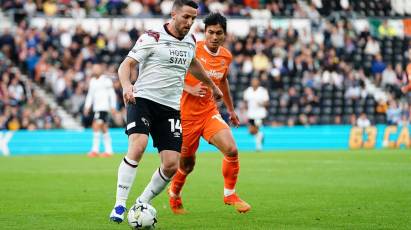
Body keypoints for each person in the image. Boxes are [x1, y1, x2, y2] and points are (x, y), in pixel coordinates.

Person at [109, 0, 223, 223]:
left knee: (172, 164)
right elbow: (126, 65)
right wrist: (126, 86)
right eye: (186, 17)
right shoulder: (153, 37)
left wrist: (212, 85)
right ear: (173, 14)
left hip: (170, 108)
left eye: (193, 18)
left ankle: (141, 202)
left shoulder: (190, 41)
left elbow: (194, 65)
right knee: (138, 146)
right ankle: (120, 205)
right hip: (142, 100)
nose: (189, 22)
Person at [168, 12, 251, 214]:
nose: (214, 37)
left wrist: (231, 110)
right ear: (204, 33)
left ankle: (230, 194)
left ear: (225, 35)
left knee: (231, 149)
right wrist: (189, 89)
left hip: (208, 113)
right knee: (187, 165)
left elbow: (222, 82)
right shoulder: (191, 50)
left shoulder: (226, 56)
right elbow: (170, 73)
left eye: (219, 33)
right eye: (211, 32)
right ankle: (174, 195)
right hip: (185, 117)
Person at [83, 63, 117, 157]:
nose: (94, 70)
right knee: (104, 128)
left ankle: (95, 150)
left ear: (101, 70)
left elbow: (112, 94)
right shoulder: (92, 81)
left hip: (104, 108)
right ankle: (109, 151)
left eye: (96, 69)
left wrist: (113, 106)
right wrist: (87, 106)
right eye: (93, 69)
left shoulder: (106, 81)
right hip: (96, 108)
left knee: (96, 126)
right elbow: (90, 95)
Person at [243, 77, 269, 151]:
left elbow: (267, 103)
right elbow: (245, 102)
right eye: (253, 81)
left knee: (257, 126)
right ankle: (260, 136)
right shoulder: (248, 91)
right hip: (251, 113)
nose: (254, 83)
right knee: (251, 131)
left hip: (260, 113)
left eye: (256, 81)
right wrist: (246, 110)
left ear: (258, 82)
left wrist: (261, 103)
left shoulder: (263, 91)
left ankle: (258, 146)